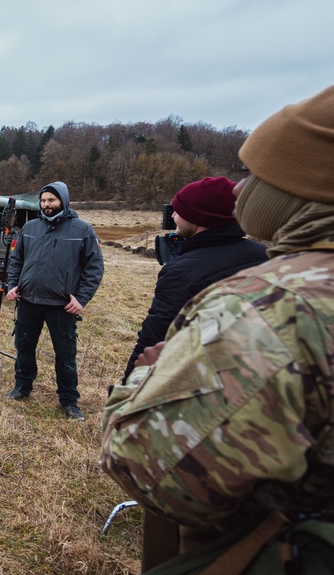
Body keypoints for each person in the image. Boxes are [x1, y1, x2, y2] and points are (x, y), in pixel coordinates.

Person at [101, 85, 334, 571]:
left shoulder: (273, 306)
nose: (240, 189)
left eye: (254, 174)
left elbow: (154, 472)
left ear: (302, 191)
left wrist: (149, 380)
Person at [120, 177, 269, 569]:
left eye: (178, 208)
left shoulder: (183, 271)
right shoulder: (265, 256)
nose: (173, 214)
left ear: (199, 219)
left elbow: (154, 338)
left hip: (196, 399)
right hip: (257, 396)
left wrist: (126, 393)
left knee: (175, 521)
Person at [3, 181, 104, 421]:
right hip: (28, 300)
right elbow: (17, 260)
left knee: (65, 354)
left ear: (64, 201)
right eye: (44, 200)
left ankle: (69, 401)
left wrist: (82, 299)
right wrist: (12, 285)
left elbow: (94, 268)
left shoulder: (82, 230)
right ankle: (22, 386)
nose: (47, 205)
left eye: (52, 200)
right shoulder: (29, 228)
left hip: (62, 306)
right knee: (24, 346)